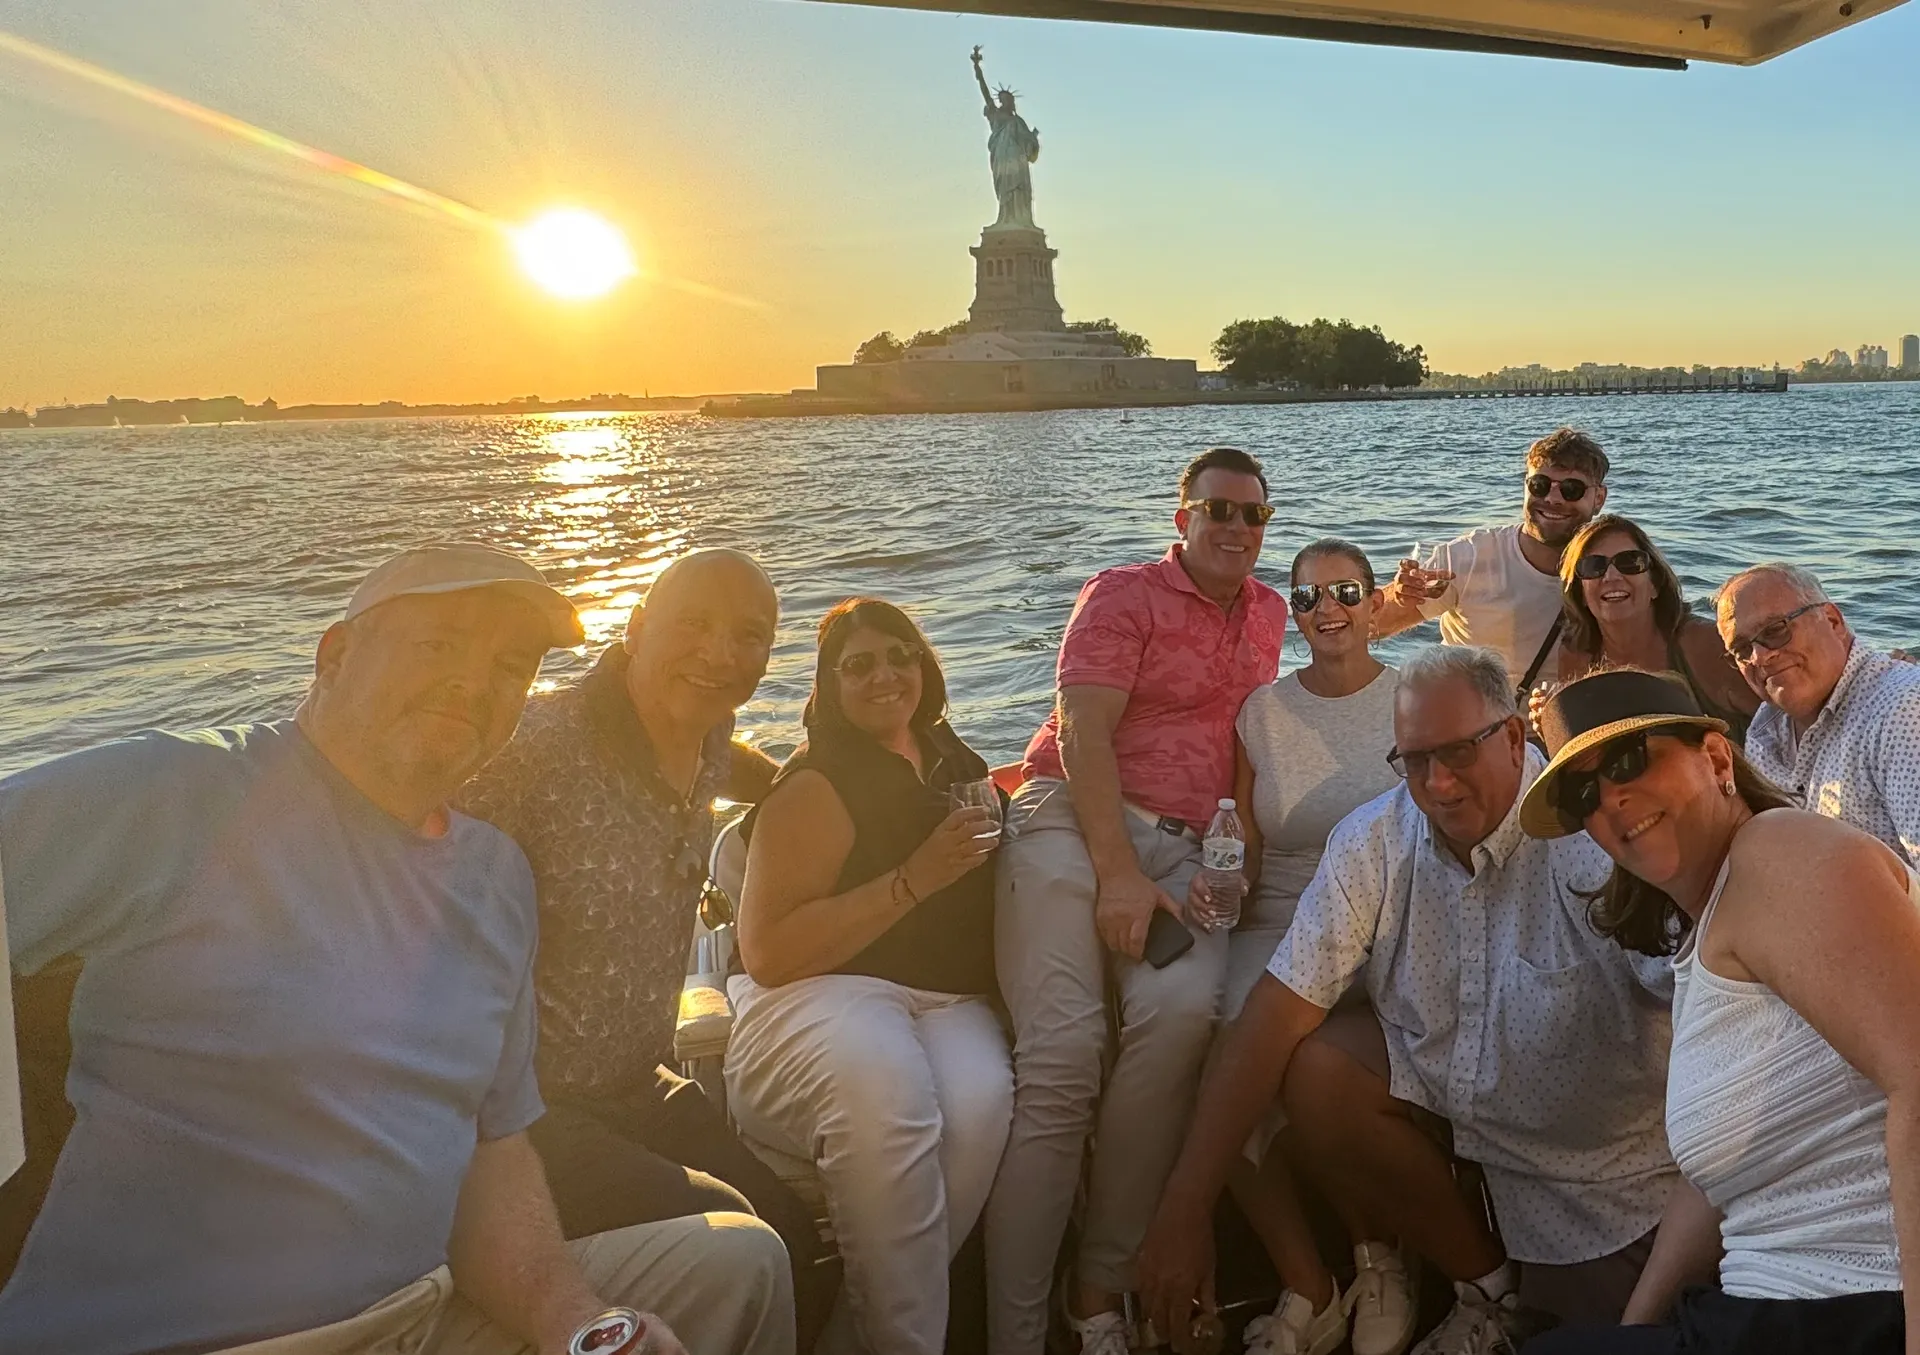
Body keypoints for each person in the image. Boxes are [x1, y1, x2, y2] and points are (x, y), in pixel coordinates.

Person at [0, 543, 793, 1355]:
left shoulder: (493, 879)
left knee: (742, 1262)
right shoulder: (180, 795)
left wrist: (579, 1322)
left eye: (510, 664)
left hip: (422, 1310)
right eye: (439, 643)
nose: (473, 680)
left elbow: (492, 1153)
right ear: (335, 655)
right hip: (189, 1336)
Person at [1137, 646, 1675, 1355]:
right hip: (1454, 1117)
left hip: (1593, 1182)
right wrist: (1184, 1209)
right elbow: (1275, 1009)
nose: (1437, 783)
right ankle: (1485, 1287)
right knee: (1317, 1067)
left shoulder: (1596, 838)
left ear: (1516, 737)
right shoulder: (1375, 838)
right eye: (1414, 760)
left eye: (1457, 753)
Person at [456, 548, 832, 1347]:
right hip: (526, 1112)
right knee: (746, 1239)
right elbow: (407, 863)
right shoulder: (534, 745)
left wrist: (813, 784)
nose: (720, 654)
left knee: (801, 1237)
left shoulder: (705, 730)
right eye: (693, 624)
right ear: (633, 627)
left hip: (641, 1082)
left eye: (749, 635)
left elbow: (726, 765)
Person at [1518, 668, 1920, 1355]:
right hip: (1770, 1311)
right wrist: (1632, 1332)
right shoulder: (1713, 925)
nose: (1613, 795)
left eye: (1628, 759)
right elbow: (1714, 1183)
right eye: (1585, 790)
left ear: (1714, 756)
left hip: (1850, 1310)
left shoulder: (1781, 852)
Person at [991, 447, 1290, 1355]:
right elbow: (1081, 729)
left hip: (1188, 854)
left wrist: (1232, 853)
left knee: (1182, 1011)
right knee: (1063, 1059)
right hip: (1071, 824)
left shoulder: (1274, 610)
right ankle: (1011, 1335)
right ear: (1182, 519)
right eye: (1218, 510)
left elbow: (1271, 725)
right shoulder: (1123, 595)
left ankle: (1096, 1295)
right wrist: (1117, 872)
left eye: (1253, 515)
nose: (1236, 528)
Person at [727, 598, 1012, 1355]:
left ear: (925, 664)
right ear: (827, 683)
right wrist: (913, 879)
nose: (885, 674)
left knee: (983, 1102)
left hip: (944, 995)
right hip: (816, 991)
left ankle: (858, 1331)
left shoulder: (949, 756)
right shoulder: (815, 783)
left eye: (901, 654)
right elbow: (768, 953)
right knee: (888, 1088)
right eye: (858, 664)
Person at [1189, 538, 1406, 1355]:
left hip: (1385, 914)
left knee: (1314, 1053)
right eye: (1308, 598)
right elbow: (1246, 838)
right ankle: (1307, 1280)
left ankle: (1376, 1254)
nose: (1327, 611)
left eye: (1345, 591)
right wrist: (1226, 882)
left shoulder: (1411, 696)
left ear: (1374, 599)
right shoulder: (1264, 713)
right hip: (1280, 913)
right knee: (1220, 1036)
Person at [1716, 562, 1920, 865]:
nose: (1761, 656)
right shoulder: (1765, 730)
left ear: (1833, 621)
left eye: (1775, 630)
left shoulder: (1902, 711)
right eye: (1742, 649)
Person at [1376, 427, 1610, 689]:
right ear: (1526, 487)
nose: (1552, 499)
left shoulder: (1615, 572)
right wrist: (1397, 594)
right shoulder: (1468, 557)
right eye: (1539, 485)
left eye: (1572, 489)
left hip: (1560, 725)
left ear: (1599, 498)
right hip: (1466, 724)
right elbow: (1371, 626)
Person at [1534, 516, 1756, 744]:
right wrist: (1553, 726)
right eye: (1593, 566)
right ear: (1580, 592)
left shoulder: (1702, 644)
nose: (1611, 577)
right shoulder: (1578, 656)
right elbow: (1584, 756)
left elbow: (1776, 726)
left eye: (1630, 563)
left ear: (1655, 584)